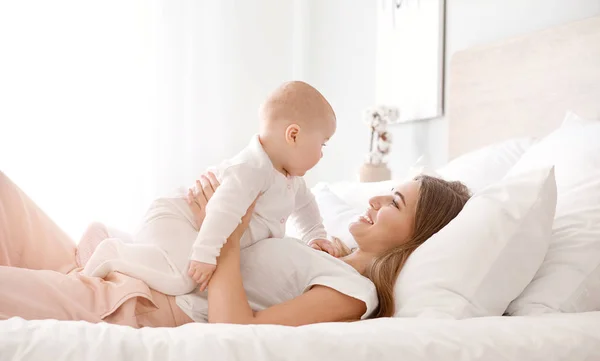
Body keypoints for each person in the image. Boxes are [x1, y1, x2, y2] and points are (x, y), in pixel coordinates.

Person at [0, 168, 470, 326]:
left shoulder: (353, 295)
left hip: (144, 300)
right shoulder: (326, 254)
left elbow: (236, 328)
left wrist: (220, 231)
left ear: (416, 235)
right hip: (128, 262)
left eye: (393, 202)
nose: (373, 199)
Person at [81, 80, 338, 295]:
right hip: (179, 217)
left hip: (188, 226)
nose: (323, 154)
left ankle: (110, 235)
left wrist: (315, 236)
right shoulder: (252, 168)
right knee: (183, 278)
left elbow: (306, 207)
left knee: (165, 255)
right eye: (323, 144)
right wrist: (205, 254)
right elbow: (222, 211)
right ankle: (111, 251)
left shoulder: (291, 180)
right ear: (293, 135)